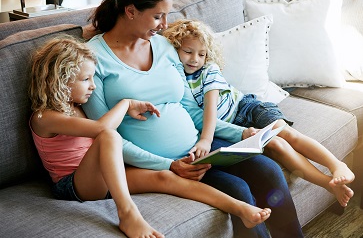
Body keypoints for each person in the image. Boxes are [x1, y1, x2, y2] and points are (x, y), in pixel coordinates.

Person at [82, 0, 305, 237]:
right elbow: (105, 135)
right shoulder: (93, 59)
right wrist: (169, 165)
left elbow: (190, 110)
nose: (165, 25)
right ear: (130, 11)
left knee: (268, 169)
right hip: (157, 163)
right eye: (158, 16)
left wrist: (242, 133)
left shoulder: (163, 47)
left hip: (198, 150)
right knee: (238, 191)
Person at [28, 35, 274, 238]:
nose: (92, 85)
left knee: (166, 178)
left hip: (104, 174)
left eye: (93, 78)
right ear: (60, 80)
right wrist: (125, 103)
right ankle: (128, 214)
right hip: (74, 186)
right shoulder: (44, 117)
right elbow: (102, 129)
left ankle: (241, 209)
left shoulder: (78, 107)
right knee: (109, 137)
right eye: (85, 79)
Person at [162, 19, 356, 208]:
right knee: (277, 146)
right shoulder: (176, 80)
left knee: (285, 133)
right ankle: (328, 184)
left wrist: (206, 139)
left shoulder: (209, 70)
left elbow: (210, 110)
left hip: (247, 108)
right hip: (235, 128)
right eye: (188, 52)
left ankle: (336, 165)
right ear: (175, 49)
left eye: (201, 54)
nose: (195, 59)